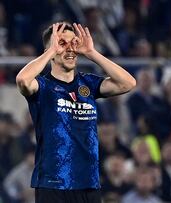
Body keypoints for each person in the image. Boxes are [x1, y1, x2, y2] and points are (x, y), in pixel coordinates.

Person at [15, 22, 136, 203]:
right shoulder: (42, 86)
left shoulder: (88, 84)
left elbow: (128, 83)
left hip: (89, 183)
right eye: (62, 43)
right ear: (51, 50)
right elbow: (23, 80)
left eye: (73, 42)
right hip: (53, 184)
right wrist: (50, 51)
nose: (70, 49)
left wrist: (91, 53)